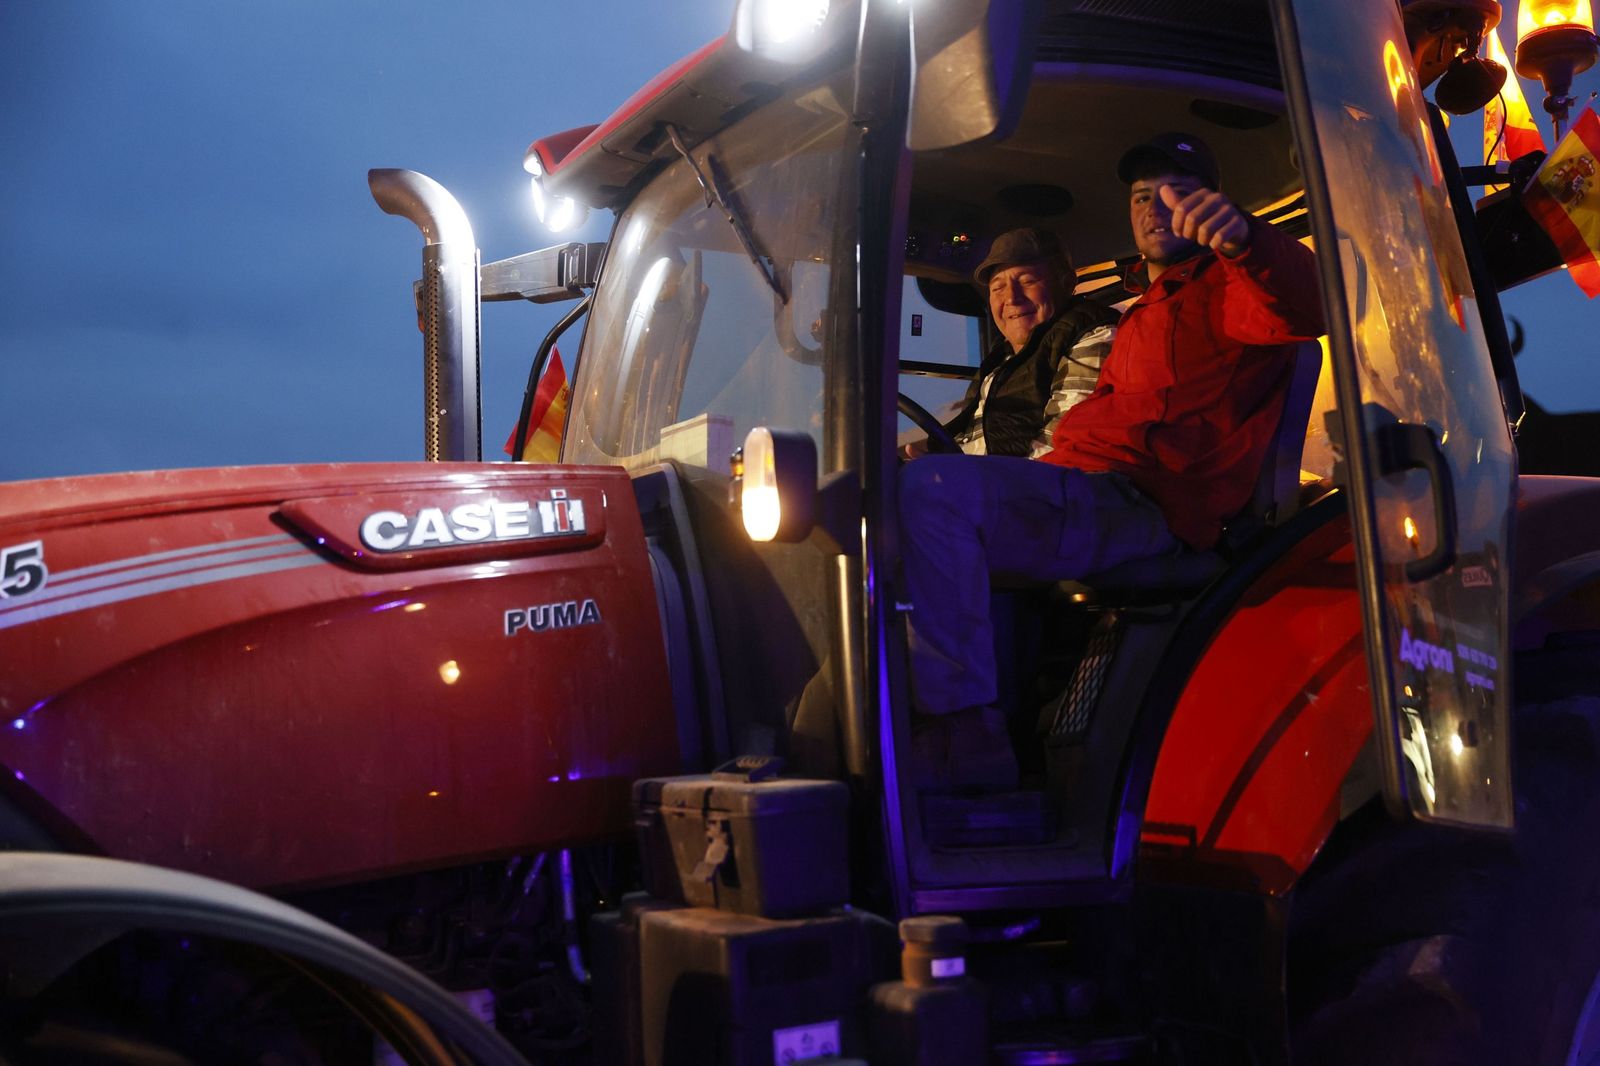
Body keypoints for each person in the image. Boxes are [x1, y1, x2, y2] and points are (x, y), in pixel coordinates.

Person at [900, 132, 1327, 790]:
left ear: (1210, 203)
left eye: (1174, 192)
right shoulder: (1141, 315)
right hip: (1076, 488)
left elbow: (1305, 306)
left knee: (935, 491)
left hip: (1141, 504)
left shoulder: (1229, 291)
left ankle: (965, 740)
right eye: (1139, 196)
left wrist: (1245, 239)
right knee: (871, 506)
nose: (1154, 205)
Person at [936, 228, 1118, 458]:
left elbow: (1062, 449)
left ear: (1066, 283)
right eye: (997, 288)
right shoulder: (998, 362)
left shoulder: (1093, 334)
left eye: (1027, 280)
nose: (1011, 297)